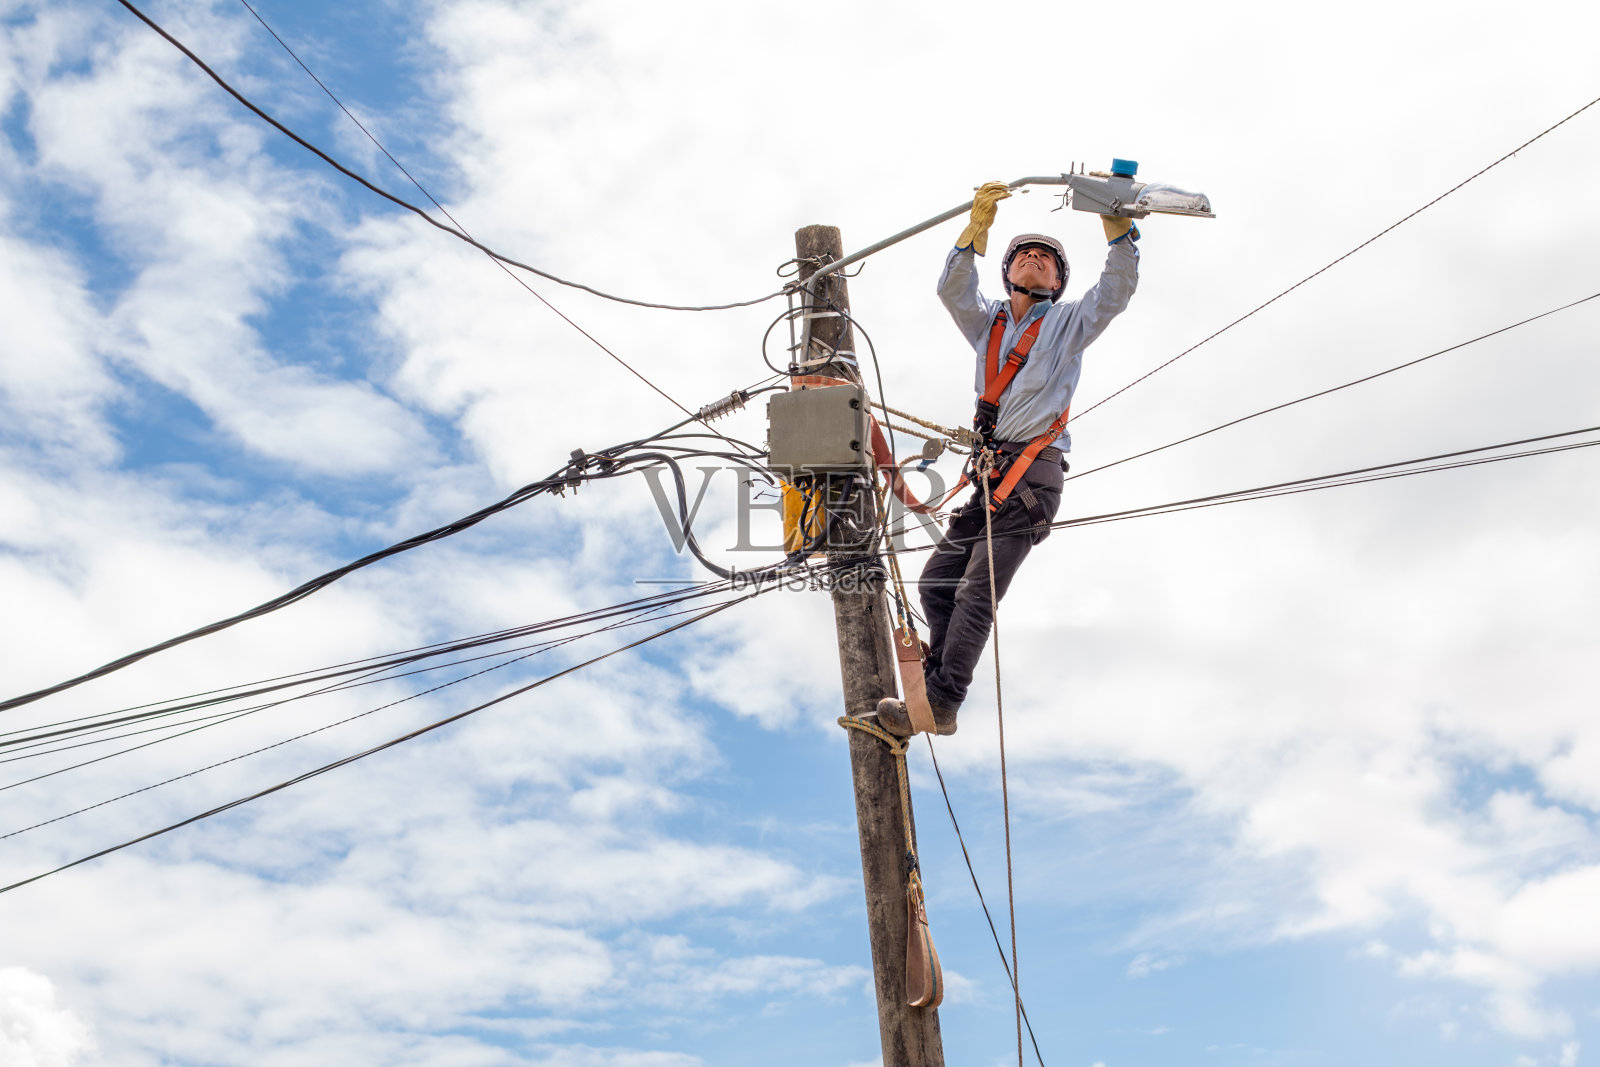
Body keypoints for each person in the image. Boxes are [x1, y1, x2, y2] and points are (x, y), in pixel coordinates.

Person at [878, 180, 1140, 736]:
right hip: (990, 478)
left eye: (1046, 259)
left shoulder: (1069, 325)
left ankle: (944, 700)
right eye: (1024, 254)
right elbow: (953, 291)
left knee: (976, 590)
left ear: (1057, 281)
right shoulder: (990, 323)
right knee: (936, 584)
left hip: (1031, 479)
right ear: (1010, 272)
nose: (1035, 259)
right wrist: (976, 230)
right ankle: (933, 686)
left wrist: (1118, 230)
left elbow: (1114, 292)